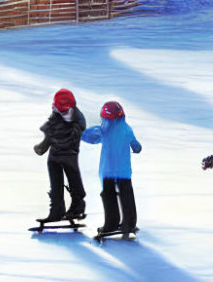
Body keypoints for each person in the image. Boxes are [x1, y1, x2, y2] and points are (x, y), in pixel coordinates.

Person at [81, 100, 142, 235]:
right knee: (127, 195)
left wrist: (80, 133)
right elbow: (136, 146)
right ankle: (129, 223)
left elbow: (91, 137)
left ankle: (111, 224)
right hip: (124, 171)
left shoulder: (104, 130)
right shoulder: (127, 129)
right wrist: (136, 147)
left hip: (108, 170)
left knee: (109, 196)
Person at [33, 88, 87, 222]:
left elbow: (77, 133)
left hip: (69, 154)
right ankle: (56, 211)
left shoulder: (77, 117)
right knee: (55, 183)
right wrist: (43, 146)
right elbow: (50, 132)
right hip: (55, 154)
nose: (62, 112)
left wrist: (64, 138)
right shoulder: (55, 114)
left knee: (74, 180)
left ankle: (77, 207)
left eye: (64, 109)